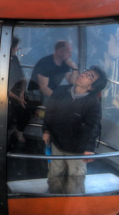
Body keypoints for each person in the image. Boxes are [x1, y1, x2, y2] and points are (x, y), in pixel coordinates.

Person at [42, 66, 107, 195]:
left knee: (76, 179)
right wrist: (46, 131)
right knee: (55, 174)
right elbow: (50, 112)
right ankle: (53, 198)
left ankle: (74, 204)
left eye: (90, 76)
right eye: (86, 72)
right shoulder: (60, 91)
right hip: (57, 143)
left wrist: (89, 149)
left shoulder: (93, 103)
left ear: (92, 87)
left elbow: (93, 126)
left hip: (78, 150)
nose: (85, 74)